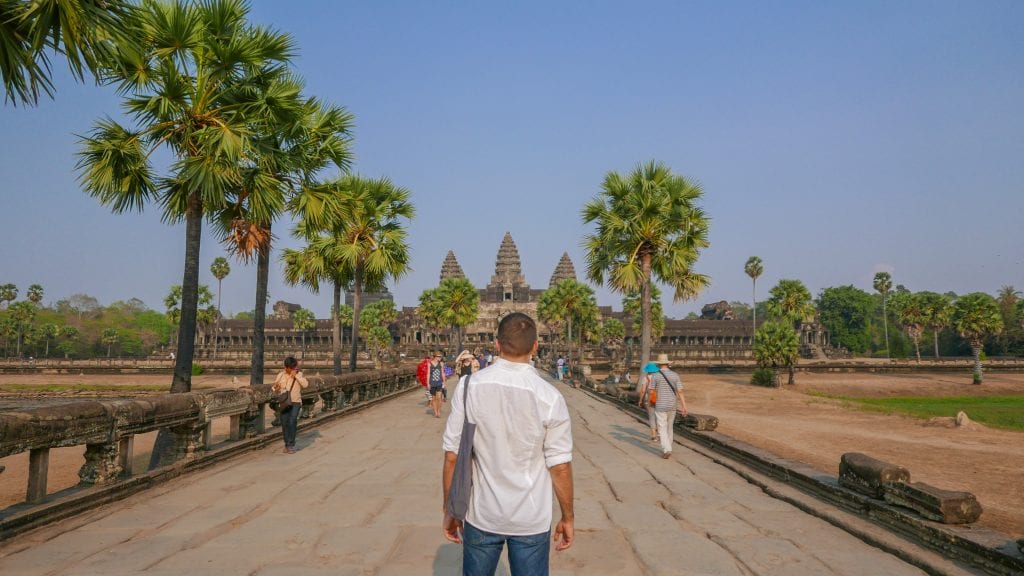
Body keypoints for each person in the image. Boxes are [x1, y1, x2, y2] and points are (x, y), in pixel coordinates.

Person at [442, 312, 575, 575]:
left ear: (497, 345)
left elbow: (452, 457)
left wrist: (450, 510)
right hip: (531, 517)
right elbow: (559, 466)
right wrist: (568, 517)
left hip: (482, 514)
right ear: (535, 346)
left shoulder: (469, 387)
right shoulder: (550, 397)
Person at [649, 353, 688, 459]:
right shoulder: (675, 375)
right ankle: (669, 446)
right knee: (670, 427)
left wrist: (651, 401)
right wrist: (684, 406)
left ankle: (667, 449)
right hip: (672, 405)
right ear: (667, 363)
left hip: (660, 405)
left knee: (662, 428)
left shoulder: (655, 376)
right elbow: (680, 391)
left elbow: (651, 391)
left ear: (658, 364)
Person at [271, 356, 309, 454]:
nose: (293, 369)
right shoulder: (281, 375)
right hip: (284, 402)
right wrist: (276, 387)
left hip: (296, 401)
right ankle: (287, 444)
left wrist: (295, 375)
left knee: (292, 421)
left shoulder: (299, 374)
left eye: (294, 367)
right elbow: (274, 388)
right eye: (291, 368)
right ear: (286, 367)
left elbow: (305, 385)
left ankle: (291, 444)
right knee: (284, 423)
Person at [636, 362, 660, 442]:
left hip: (649, 398)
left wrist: (640, 400)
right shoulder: (659, 376)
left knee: (652, 416)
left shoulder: (645, 378)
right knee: (659, 415)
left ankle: (654, 435)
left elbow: (643, 390)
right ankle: (660, 432)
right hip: (659, 398)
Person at [428, 351, 446, 418]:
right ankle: (435, 412)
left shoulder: (441, 364)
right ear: (435, 357)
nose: (440, 358)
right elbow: (428, 374)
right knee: (434, 398)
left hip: (439, 382)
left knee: (439, 398)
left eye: (440, 356)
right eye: (439, 356)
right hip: (432, 382)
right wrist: (428, 383)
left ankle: (439, 411)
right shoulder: (429, 364)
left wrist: (444, 382)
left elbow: (442, 373)